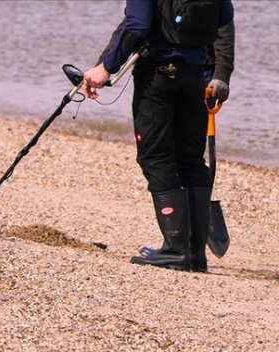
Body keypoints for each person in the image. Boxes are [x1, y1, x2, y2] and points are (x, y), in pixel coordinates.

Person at [82, 0, 234, 271]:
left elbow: (137, 24)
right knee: (191, 160)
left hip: (158, 76)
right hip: (197, 75)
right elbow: (224, 16)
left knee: (156, 157)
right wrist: (221, 73)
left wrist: (105, 68)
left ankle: (176, 250)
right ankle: (195, 254)